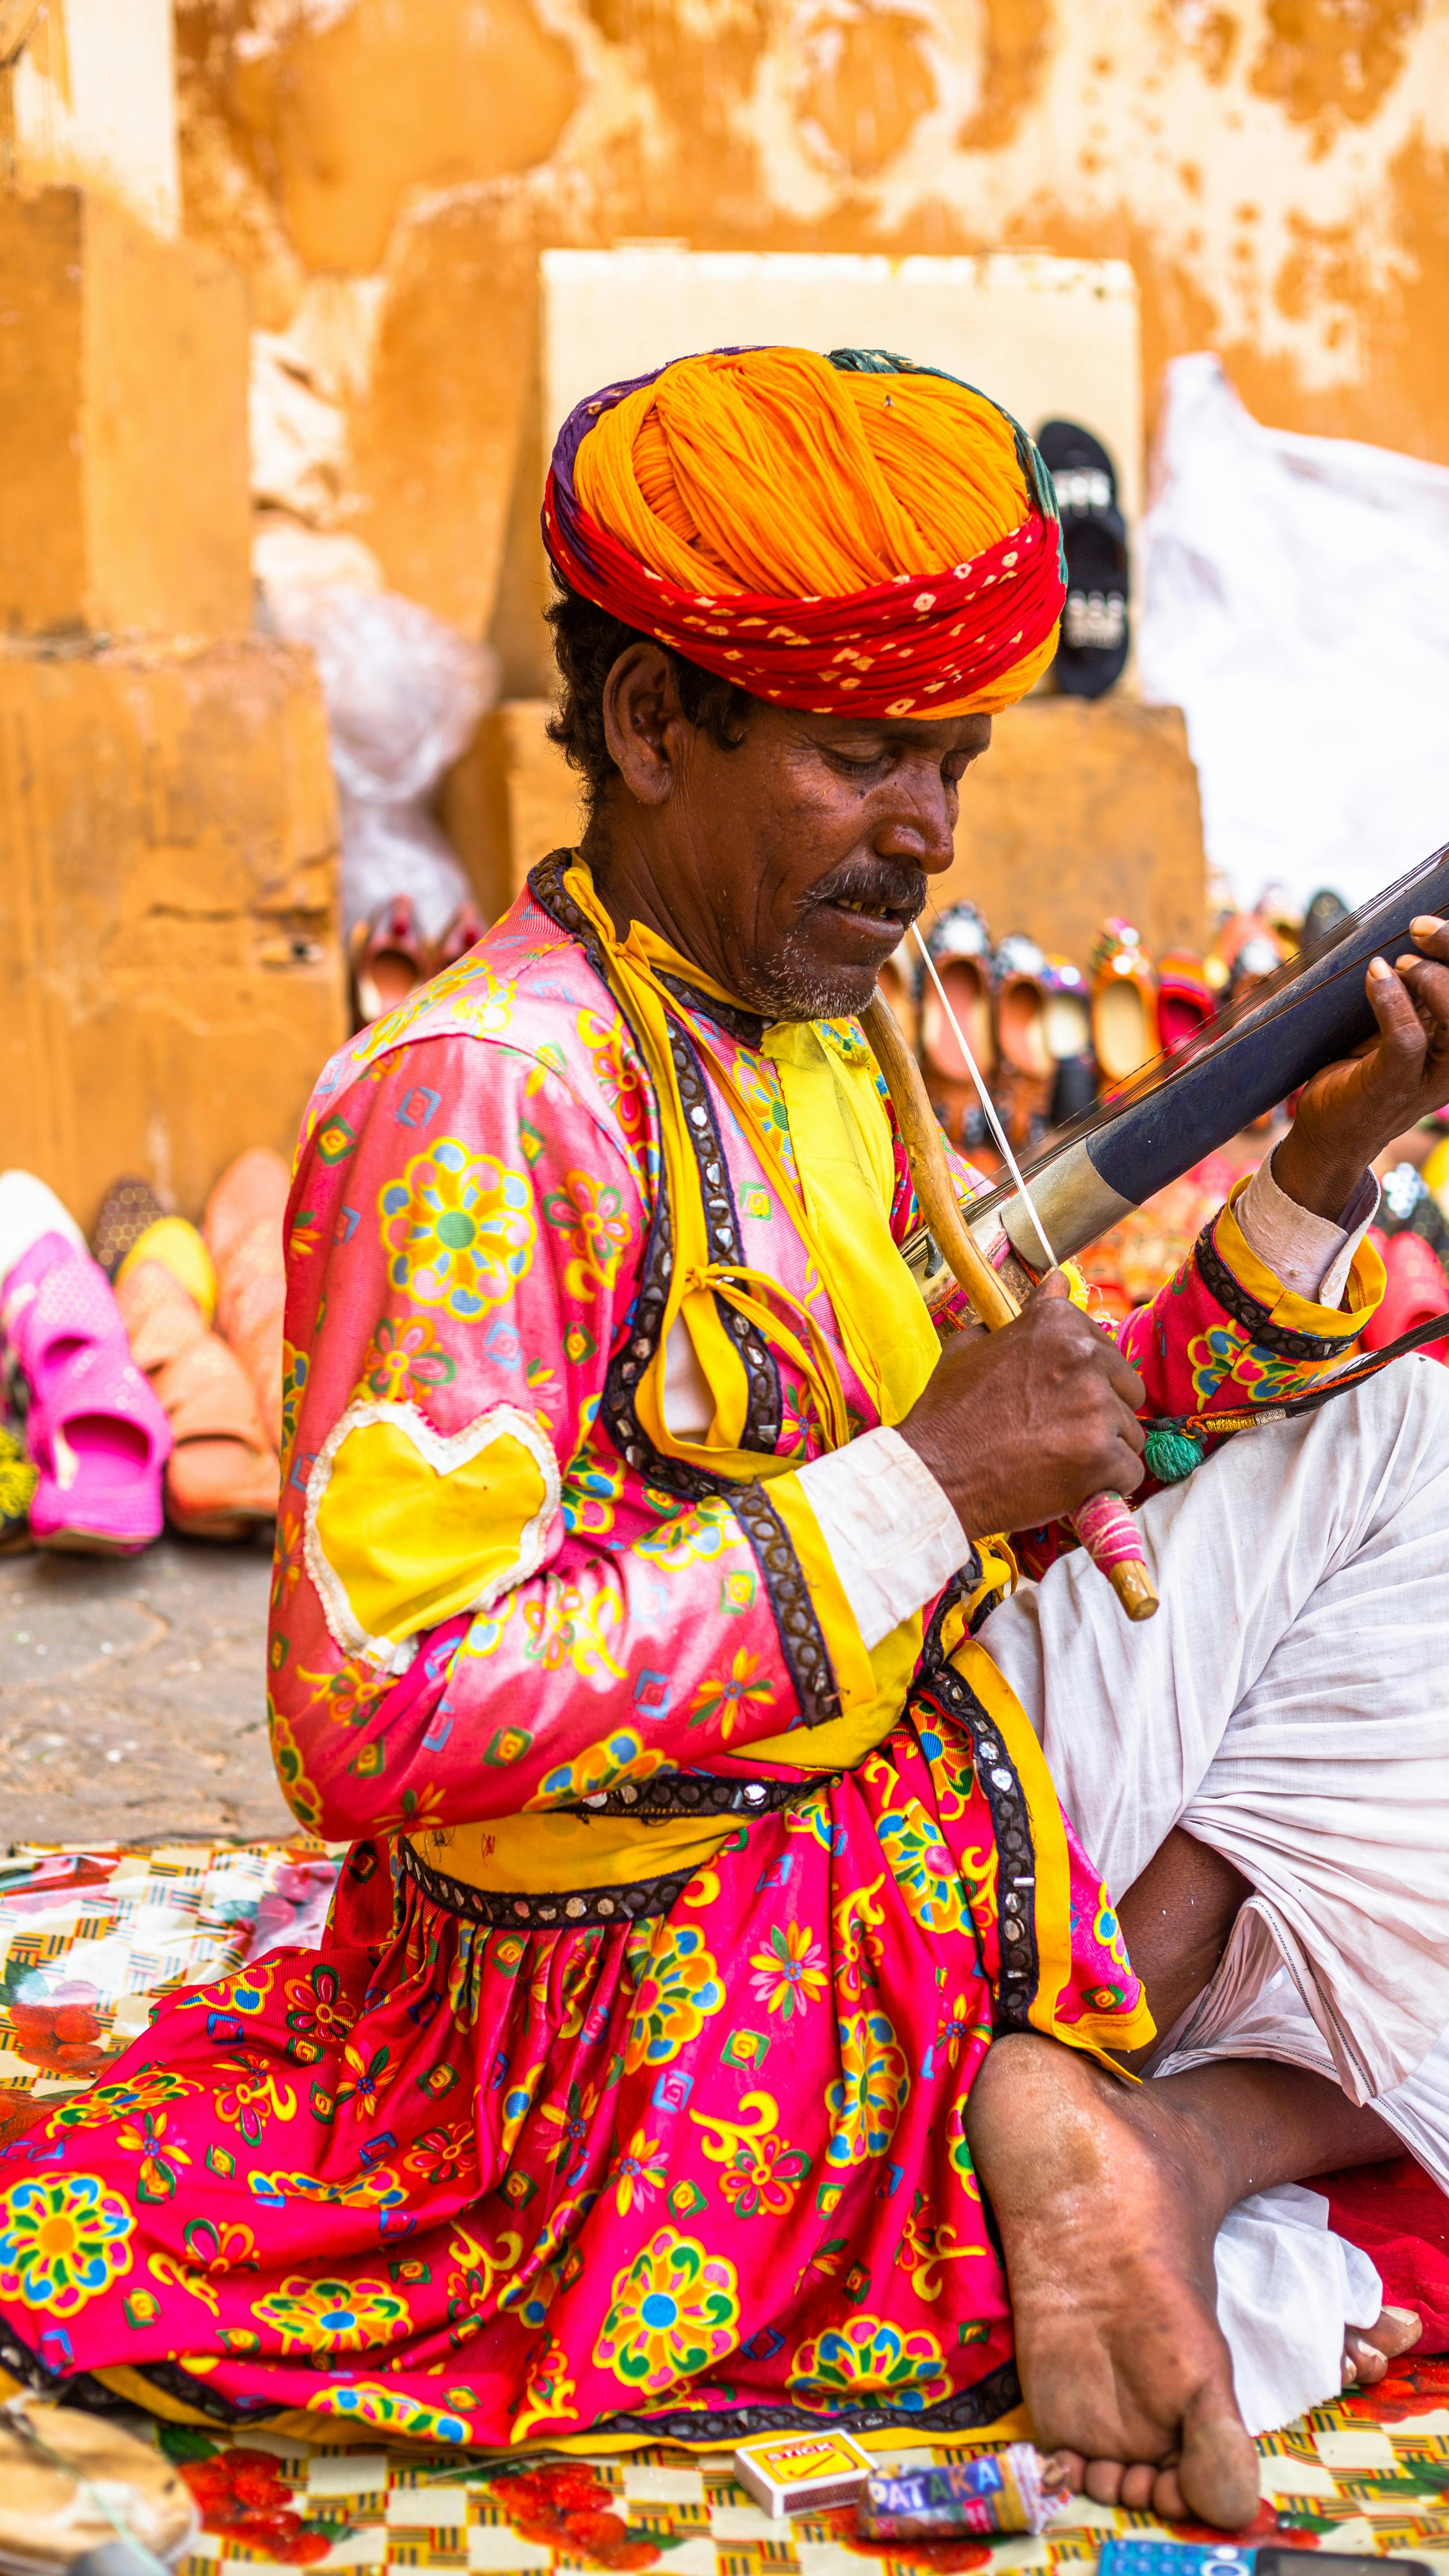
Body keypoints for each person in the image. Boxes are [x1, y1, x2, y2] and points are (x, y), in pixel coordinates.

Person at [1, 346, 1446, 2522]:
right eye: (867, 758)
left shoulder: (805, 1025)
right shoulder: (490, 1098)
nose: (931, 835)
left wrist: (1322, 1170)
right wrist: (927, 1487)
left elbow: (1066, 1446)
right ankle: (1105, 2087)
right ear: (656, 724)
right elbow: (377, 1712)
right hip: (668, 2000)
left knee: (1393, 1471)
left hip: (872, 1800)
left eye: (952, 765)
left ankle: (1128, 2112)